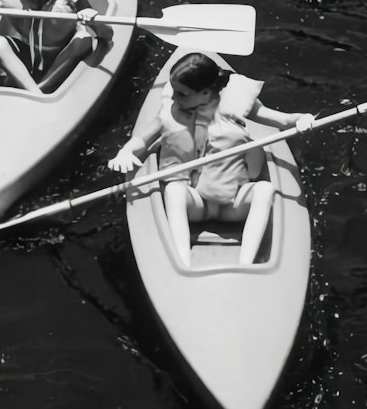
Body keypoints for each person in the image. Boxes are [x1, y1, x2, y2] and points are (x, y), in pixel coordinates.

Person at [107, 52, 314, 266]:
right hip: (196, 202)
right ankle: (182, 263)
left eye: (183, 94)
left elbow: (285, 119)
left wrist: (303, 120)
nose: (175, 99)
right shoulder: (172, 112)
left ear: (206, 92)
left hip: (232, 204)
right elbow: (142, 140)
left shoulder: (237, 107)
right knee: (173, 190)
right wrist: (126, 152)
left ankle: (246, 264)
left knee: (264, 190)